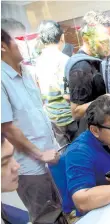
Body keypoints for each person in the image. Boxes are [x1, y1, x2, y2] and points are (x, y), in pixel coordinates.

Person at [1, 28, 61, 222]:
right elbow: (7, 128)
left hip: (50, 156)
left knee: (60, 207)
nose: (21, 47)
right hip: (29, 165)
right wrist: (39, 153)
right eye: (15, 43)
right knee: (44, 215)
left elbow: (36, 112)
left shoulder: (26, 71)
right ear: (3, 47)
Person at [66, 11, 110, 136]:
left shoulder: (99, 59)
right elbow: (76, 112)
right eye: (104, 41)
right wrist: (109, 99)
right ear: (86, 39)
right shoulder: (81, 67)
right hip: (94, 135)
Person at [36, 20, 78, 146]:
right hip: (69, 117)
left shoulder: (39, 61)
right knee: (81, 152)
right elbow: (67, 94)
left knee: (66, 152)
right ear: (62, 37)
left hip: (52, 117)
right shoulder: (63, 60)